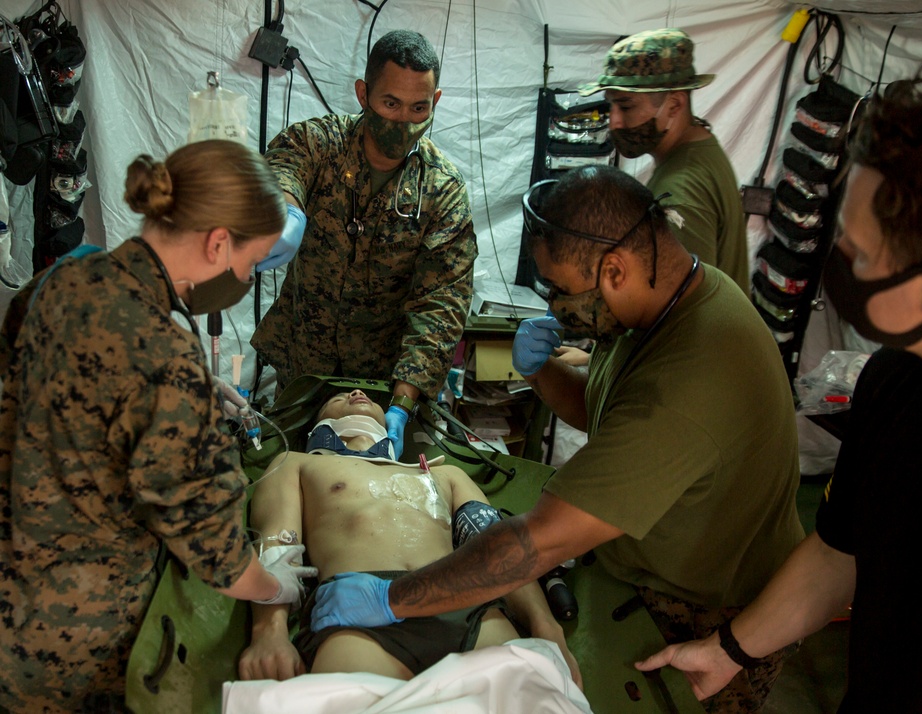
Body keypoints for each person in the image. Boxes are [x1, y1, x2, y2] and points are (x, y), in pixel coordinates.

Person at [307, 165, 805, 713]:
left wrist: (391, 596)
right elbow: (604, 407)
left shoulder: (695, 373)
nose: (554, 307)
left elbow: (537, 542)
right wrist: (541, 370)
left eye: (562, 290)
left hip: (706, 615)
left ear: (615, 269)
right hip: (644, 570)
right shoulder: (662, 304)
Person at [632, 78, 922, 712]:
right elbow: (840, 550)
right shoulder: (894, 383)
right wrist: (729, 650)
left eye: (856, 255)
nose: (836, 265)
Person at [0, 140, 318, 713]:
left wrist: (192, 389)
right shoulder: (165, 354)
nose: (244, 277)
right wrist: (275, 586)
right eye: (250, 264)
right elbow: (216, 553)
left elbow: (58, 382)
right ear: (218, 241)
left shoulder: (67, 277)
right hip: (77, 641)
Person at [237, 389, 581, 688]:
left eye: (370, 398)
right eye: (339, 398)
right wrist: (270, 633)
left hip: (468, 606)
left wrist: (544, 624)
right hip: (357, 617)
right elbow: (276, 550)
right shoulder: (296, 463)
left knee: (533, 699)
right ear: (316, 427)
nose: (358, 396)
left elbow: (498, 547)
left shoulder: (445, 474)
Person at [250, 29, 477, 459]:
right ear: (363, 93)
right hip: (306, 374)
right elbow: (284, 164)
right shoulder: (322, 143)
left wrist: (404, 401)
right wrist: (284, 210)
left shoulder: (442, 190)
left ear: (436, 101)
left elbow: (441, 303)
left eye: (418, 108)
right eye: (390, 103)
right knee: (283, 474)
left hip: (387, 386)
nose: (403, 122)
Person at [579, 28, 749, 294]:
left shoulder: (680, 193)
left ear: (674, 104)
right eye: (610, 105)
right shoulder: (699, 146)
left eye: (626, 106)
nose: (614, 121)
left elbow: (686, 314)